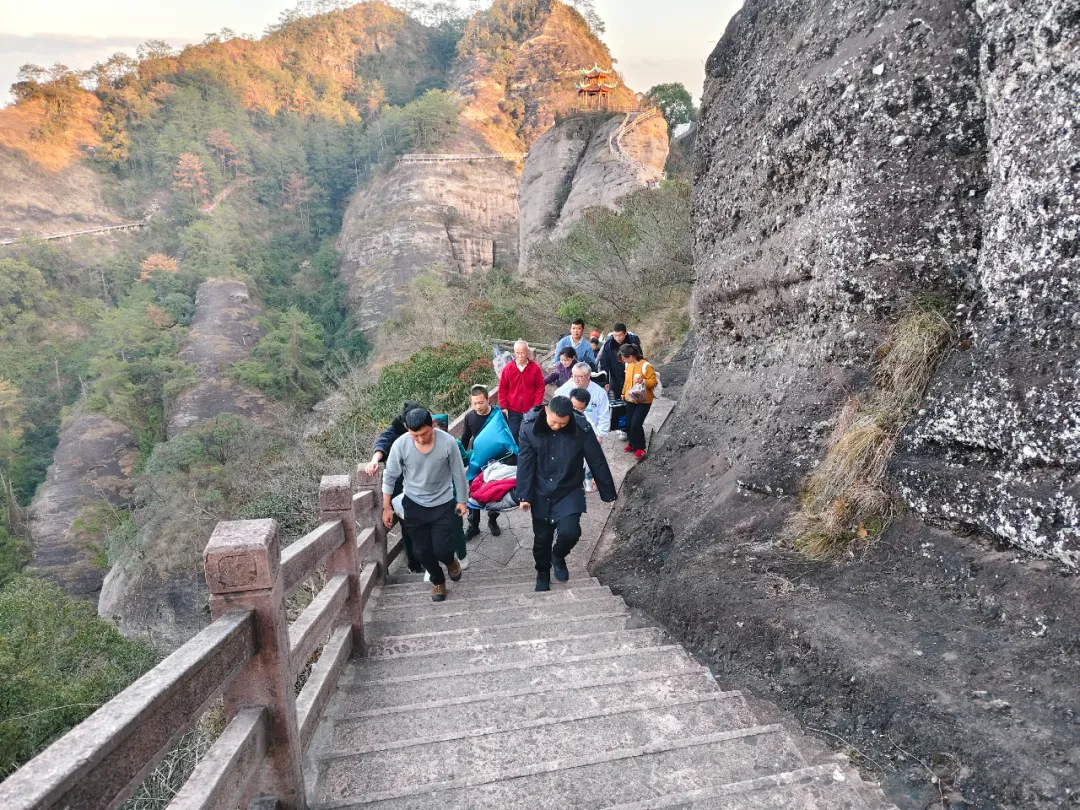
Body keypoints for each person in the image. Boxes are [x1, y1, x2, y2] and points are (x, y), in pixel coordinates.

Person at [517, 396, 616, 592]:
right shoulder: (529, 428)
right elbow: (525, 465)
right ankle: (542, 572)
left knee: (571, 532)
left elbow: (596, 459)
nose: (556, 426)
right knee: (541, 539)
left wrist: (607, 492)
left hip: (569, 488)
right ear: (546, 411)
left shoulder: (581, 429)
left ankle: (559, 555)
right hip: (541, 490)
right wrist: (524, 496)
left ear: (570, 417)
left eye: (562, 423)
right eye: (553, 422)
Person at [382, 408, 469, 602]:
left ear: (432, 425)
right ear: (407, 430)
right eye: (415, 435)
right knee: (420, 551)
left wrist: (462, 500)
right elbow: (390, 475)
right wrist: (386, 507)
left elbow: (458, 473)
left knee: (443, 548)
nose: (421, 439)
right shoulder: (400, 445)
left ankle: (450, 561)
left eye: (424, 433)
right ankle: (438, 581)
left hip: (443, 503)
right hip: (414, 503)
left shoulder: (447, 442)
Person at [363, 401, 424, 573]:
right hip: (401, 488)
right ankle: (415, 563)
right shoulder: (396, 431)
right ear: (405, 423)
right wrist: (375, 460)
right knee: (409, 525)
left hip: (421, 484)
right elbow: (382, 442)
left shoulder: (425, 427)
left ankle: (428, 560)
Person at [459, 385, 502, 540]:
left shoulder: (498, 415)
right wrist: (460, 457)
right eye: (474, 403)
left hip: (496, 459)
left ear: (488, 400)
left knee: (495, 491)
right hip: (478, 458)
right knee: (474, 491)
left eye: (480, 402)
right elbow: (465, 438)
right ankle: (473, 525)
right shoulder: (470, 417)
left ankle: (492, 519)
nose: (478, 406)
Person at [497, 339, 545, 444]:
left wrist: (536, 405)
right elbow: (502, 389)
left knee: (530, 435)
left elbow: (540, 388)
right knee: (513, 435)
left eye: (523, 352)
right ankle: (516, 458)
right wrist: (503, 407)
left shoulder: (535, 368)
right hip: (512, 410)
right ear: (514, 353)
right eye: (517, 353)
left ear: (528, 352)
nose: (520, 356)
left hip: (530, 410)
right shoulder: (508, 368)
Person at [555, 363, 610, 449]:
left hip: (590, 431)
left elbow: (604, 415)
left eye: (580, 376)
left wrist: (600, 435)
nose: (576, 379)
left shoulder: (599, 393)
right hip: (568, 430)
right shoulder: (564, 389)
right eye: (574, 376)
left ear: (588, 376)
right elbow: (556, 407)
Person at [619, 343, 659, 460]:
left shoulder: (646, 366)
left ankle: (640, 448)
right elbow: (626, 381)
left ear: (631, 356)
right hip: (631, 398)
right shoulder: (628, 365)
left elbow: (654, 382)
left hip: (644, 400)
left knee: (636, 424)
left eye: (625, 357)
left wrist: (643, 381)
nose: (624, 360)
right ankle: (632, 444)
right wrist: (623, 393)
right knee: (629, 423)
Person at [598, 322, 642, 398]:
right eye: (615, 335)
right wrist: (605, 382)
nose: (618, 338)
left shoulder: (633, 342)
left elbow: (640, 359)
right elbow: (604, 364)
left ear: (625, 333)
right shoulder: (609, 345)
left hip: (632, 378)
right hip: (616, 379)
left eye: (620, 335)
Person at [569, 387, 600, 492]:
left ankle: (588, 478)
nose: (575, 411)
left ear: (586, 407)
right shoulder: (560, 417)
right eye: (573, 406)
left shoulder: (588, 425)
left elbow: (593, 451)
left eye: (580, 408)